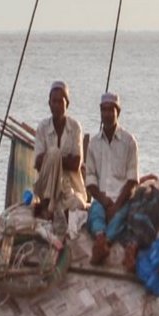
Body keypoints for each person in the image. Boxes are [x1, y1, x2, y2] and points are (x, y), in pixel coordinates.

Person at [83, 92, 140, 265]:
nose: (107, 114)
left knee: (121, 218)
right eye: (104, 110)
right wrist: (103, 200)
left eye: (111, 110)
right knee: (95, 214)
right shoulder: (93, 144)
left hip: (122, 199)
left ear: (118, 112)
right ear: (100, 112)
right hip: (102, 198)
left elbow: (132, 180)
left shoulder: (129, 142)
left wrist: (116, 205)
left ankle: (104, 244)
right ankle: (101, 238)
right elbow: (90, 179)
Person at [31, 80, 86, 218]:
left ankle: (52, 209)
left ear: (67, 103)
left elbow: (76, 164)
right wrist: (55, 158)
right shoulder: (43, 127)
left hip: (69, 188)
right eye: (53, 102)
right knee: (54, 153)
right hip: (47, 187)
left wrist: (54, 161)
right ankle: (48, 203)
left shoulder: (75, 127)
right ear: (49, 103)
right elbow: (37, 163)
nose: (57, 105)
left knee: (79, 204)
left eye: (60, 102)